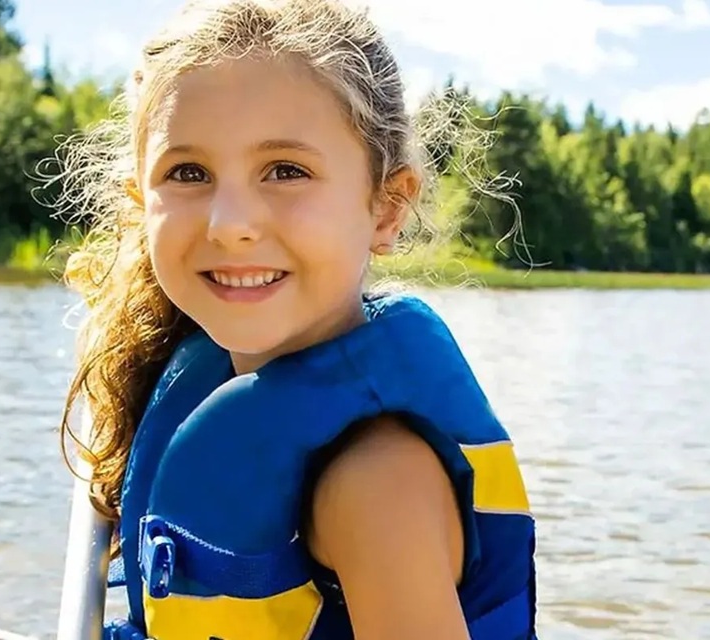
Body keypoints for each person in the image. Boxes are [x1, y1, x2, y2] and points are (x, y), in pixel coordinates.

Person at [54, 0, 537, 638]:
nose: (230, 224)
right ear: (142, 203)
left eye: (286, 171)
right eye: (188, 173)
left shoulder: (378, 485)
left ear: (387, 208)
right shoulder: (188, 374)